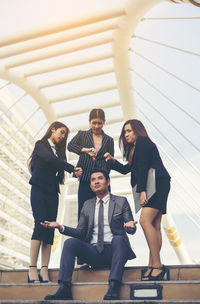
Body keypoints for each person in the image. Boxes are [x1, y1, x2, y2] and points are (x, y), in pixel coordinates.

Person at [41, 169, 137, 301]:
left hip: (115, 251)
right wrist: (60, 227)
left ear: (108, 182)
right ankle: (64, 288)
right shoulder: (87, 205)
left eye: (100, 178)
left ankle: (114, 286)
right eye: (93, 180)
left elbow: (131, 227)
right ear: (91, 186)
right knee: (70, 243)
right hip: (94, 253)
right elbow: (80, 232)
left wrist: (130, 226)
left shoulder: (121, 201)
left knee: (119, 239)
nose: (96, 181)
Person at [104, 119, 171, 281]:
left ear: (138, 131)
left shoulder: (143, 142)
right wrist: (113, 162)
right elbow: (128, 169)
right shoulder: (134, 148)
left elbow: (143, 168)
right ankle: (152, 265)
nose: (126, 134)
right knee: (154, 225)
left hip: (156, 185)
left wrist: (142, 191)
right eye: (125, 132)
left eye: (130, 131)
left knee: (144, 221)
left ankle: (157, 266)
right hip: (158, 184)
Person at [27, 121, 82, 283]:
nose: (63, 136)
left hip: (52, 194)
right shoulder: (41, 145)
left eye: (65, 134)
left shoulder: (59, 153)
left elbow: (56, 164)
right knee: (40, 225)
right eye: (61, 132)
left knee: (50, 230)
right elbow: (49, 160)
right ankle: (32, 268)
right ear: (53, 129)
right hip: (38, 190)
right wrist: (72, 168)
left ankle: (44, 269)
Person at [68, 108, 114, 219]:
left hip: (102, 181)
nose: (97, 126)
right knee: (84, 212)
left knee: (104, 213)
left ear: (104, 122)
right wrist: (84, 150)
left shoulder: (109, 140)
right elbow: (70, 146)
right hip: (86, 180)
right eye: (94, 123)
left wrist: (104, 175)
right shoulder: (82, 135)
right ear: (89, 121)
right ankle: (83, 236)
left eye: (99, 123)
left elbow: (110, 162)